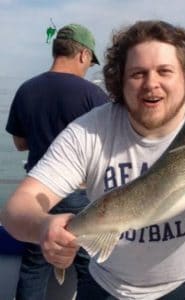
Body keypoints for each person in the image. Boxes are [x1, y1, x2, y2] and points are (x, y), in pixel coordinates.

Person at [1, 20, 185, 300]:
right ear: (119, 81)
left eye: (165, 71)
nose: (151, 83)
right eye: (138, 74)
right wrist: (44, 227)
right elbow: (16, 209)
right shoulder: (88, 132)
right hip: (108, 283)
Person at [5, 23, 109, 300]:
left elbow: (19, 143)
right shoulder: (93, 95)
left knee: (34, 268)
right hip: (80, 193)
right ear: (84, 55)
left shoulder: (26, 90)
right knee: (90, 266)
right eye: (90, 61)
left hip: (39, 194)